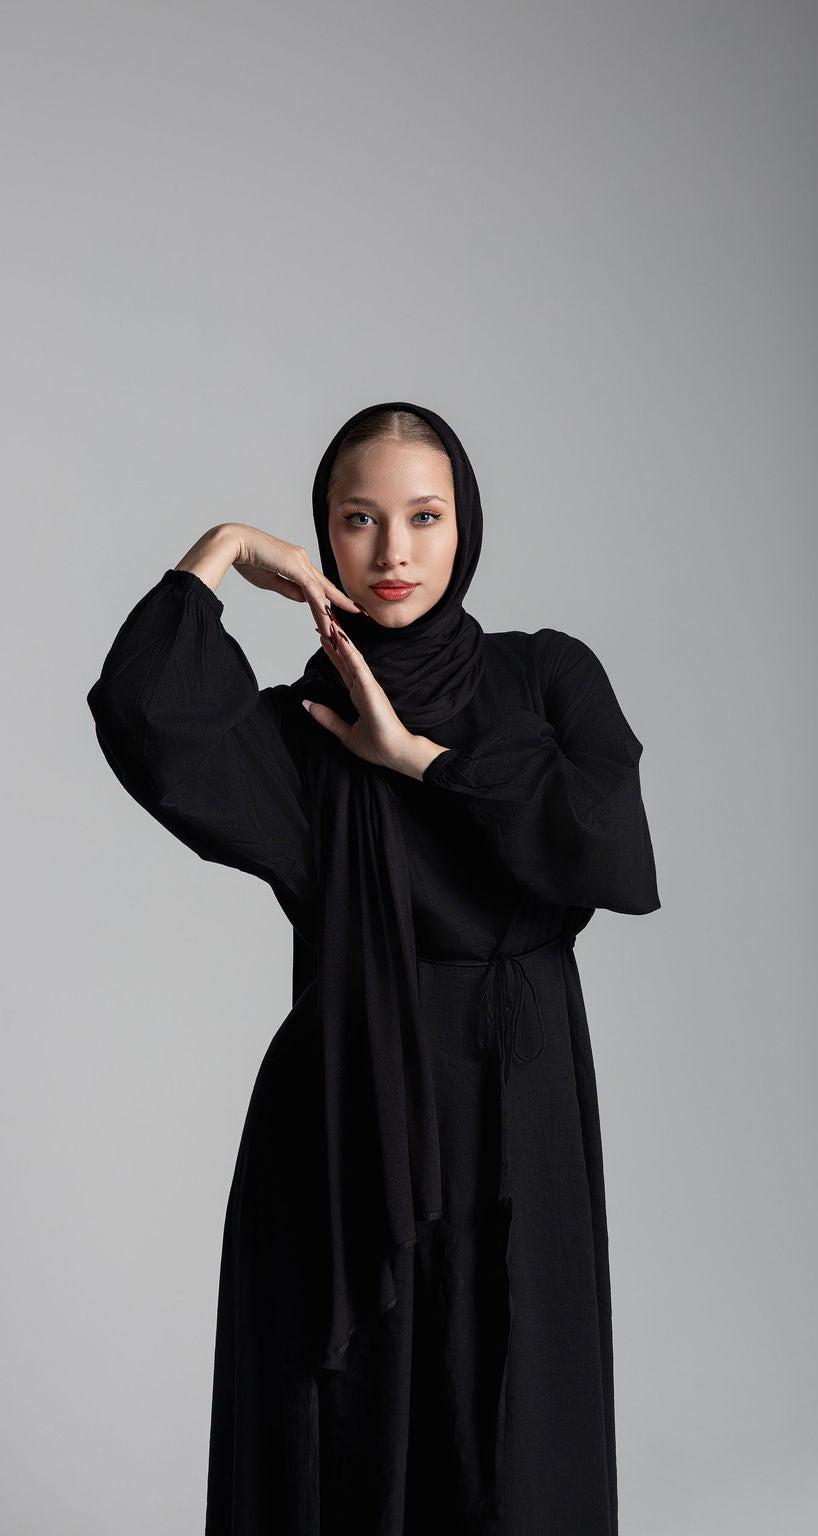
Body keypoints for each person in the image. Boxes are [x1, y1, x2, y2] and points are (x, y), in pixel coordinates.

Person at [86, 400, 660, 1535]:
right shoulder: (305, 726)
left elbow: (609, 844)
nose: (393, 551)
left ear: (465, 526)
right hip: (347, 1112)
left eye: (423, 516)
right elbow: (146, 716)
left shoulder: (545, 675)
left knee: (517, 1420)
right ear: (324, 536)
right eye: (359, 519)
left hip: (524, 1096)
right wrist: (221, 549)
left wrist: (418, 759)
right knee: (343, 1425)